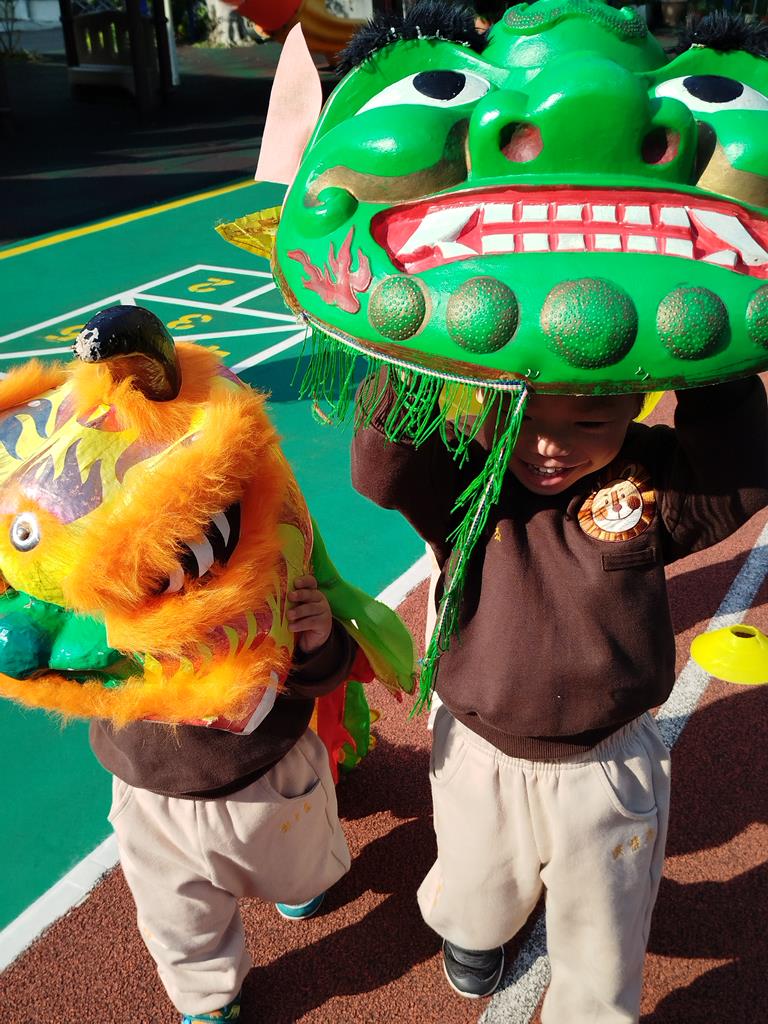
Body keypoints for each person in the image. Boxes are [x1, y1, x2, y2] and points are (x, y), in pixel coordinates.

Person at [351, 373, 768, 1022]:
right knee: (475, 877)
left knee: (605, 926)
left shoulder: (646, 479)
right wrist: (406, 367)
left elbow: (735, 476)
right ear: (486, 399)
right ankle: (471, 929)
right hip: (478, 750)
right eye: (523, 416)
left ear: (636, 403)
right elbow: (382, 471)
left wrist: (714, 377)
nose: (548, 445)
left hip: (605, 761)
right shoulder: (465, 468)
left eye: (589, 422)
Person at [90, 574, 356, 1024]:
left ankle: (301, 884)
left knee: (302, 868)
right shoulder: (92, 576)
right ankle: (207, 994)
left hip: (267, 774)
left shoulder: (256, 561)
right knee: (177, 919)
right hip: (149, 796)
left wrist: (320, 643)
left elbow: (318, 671)